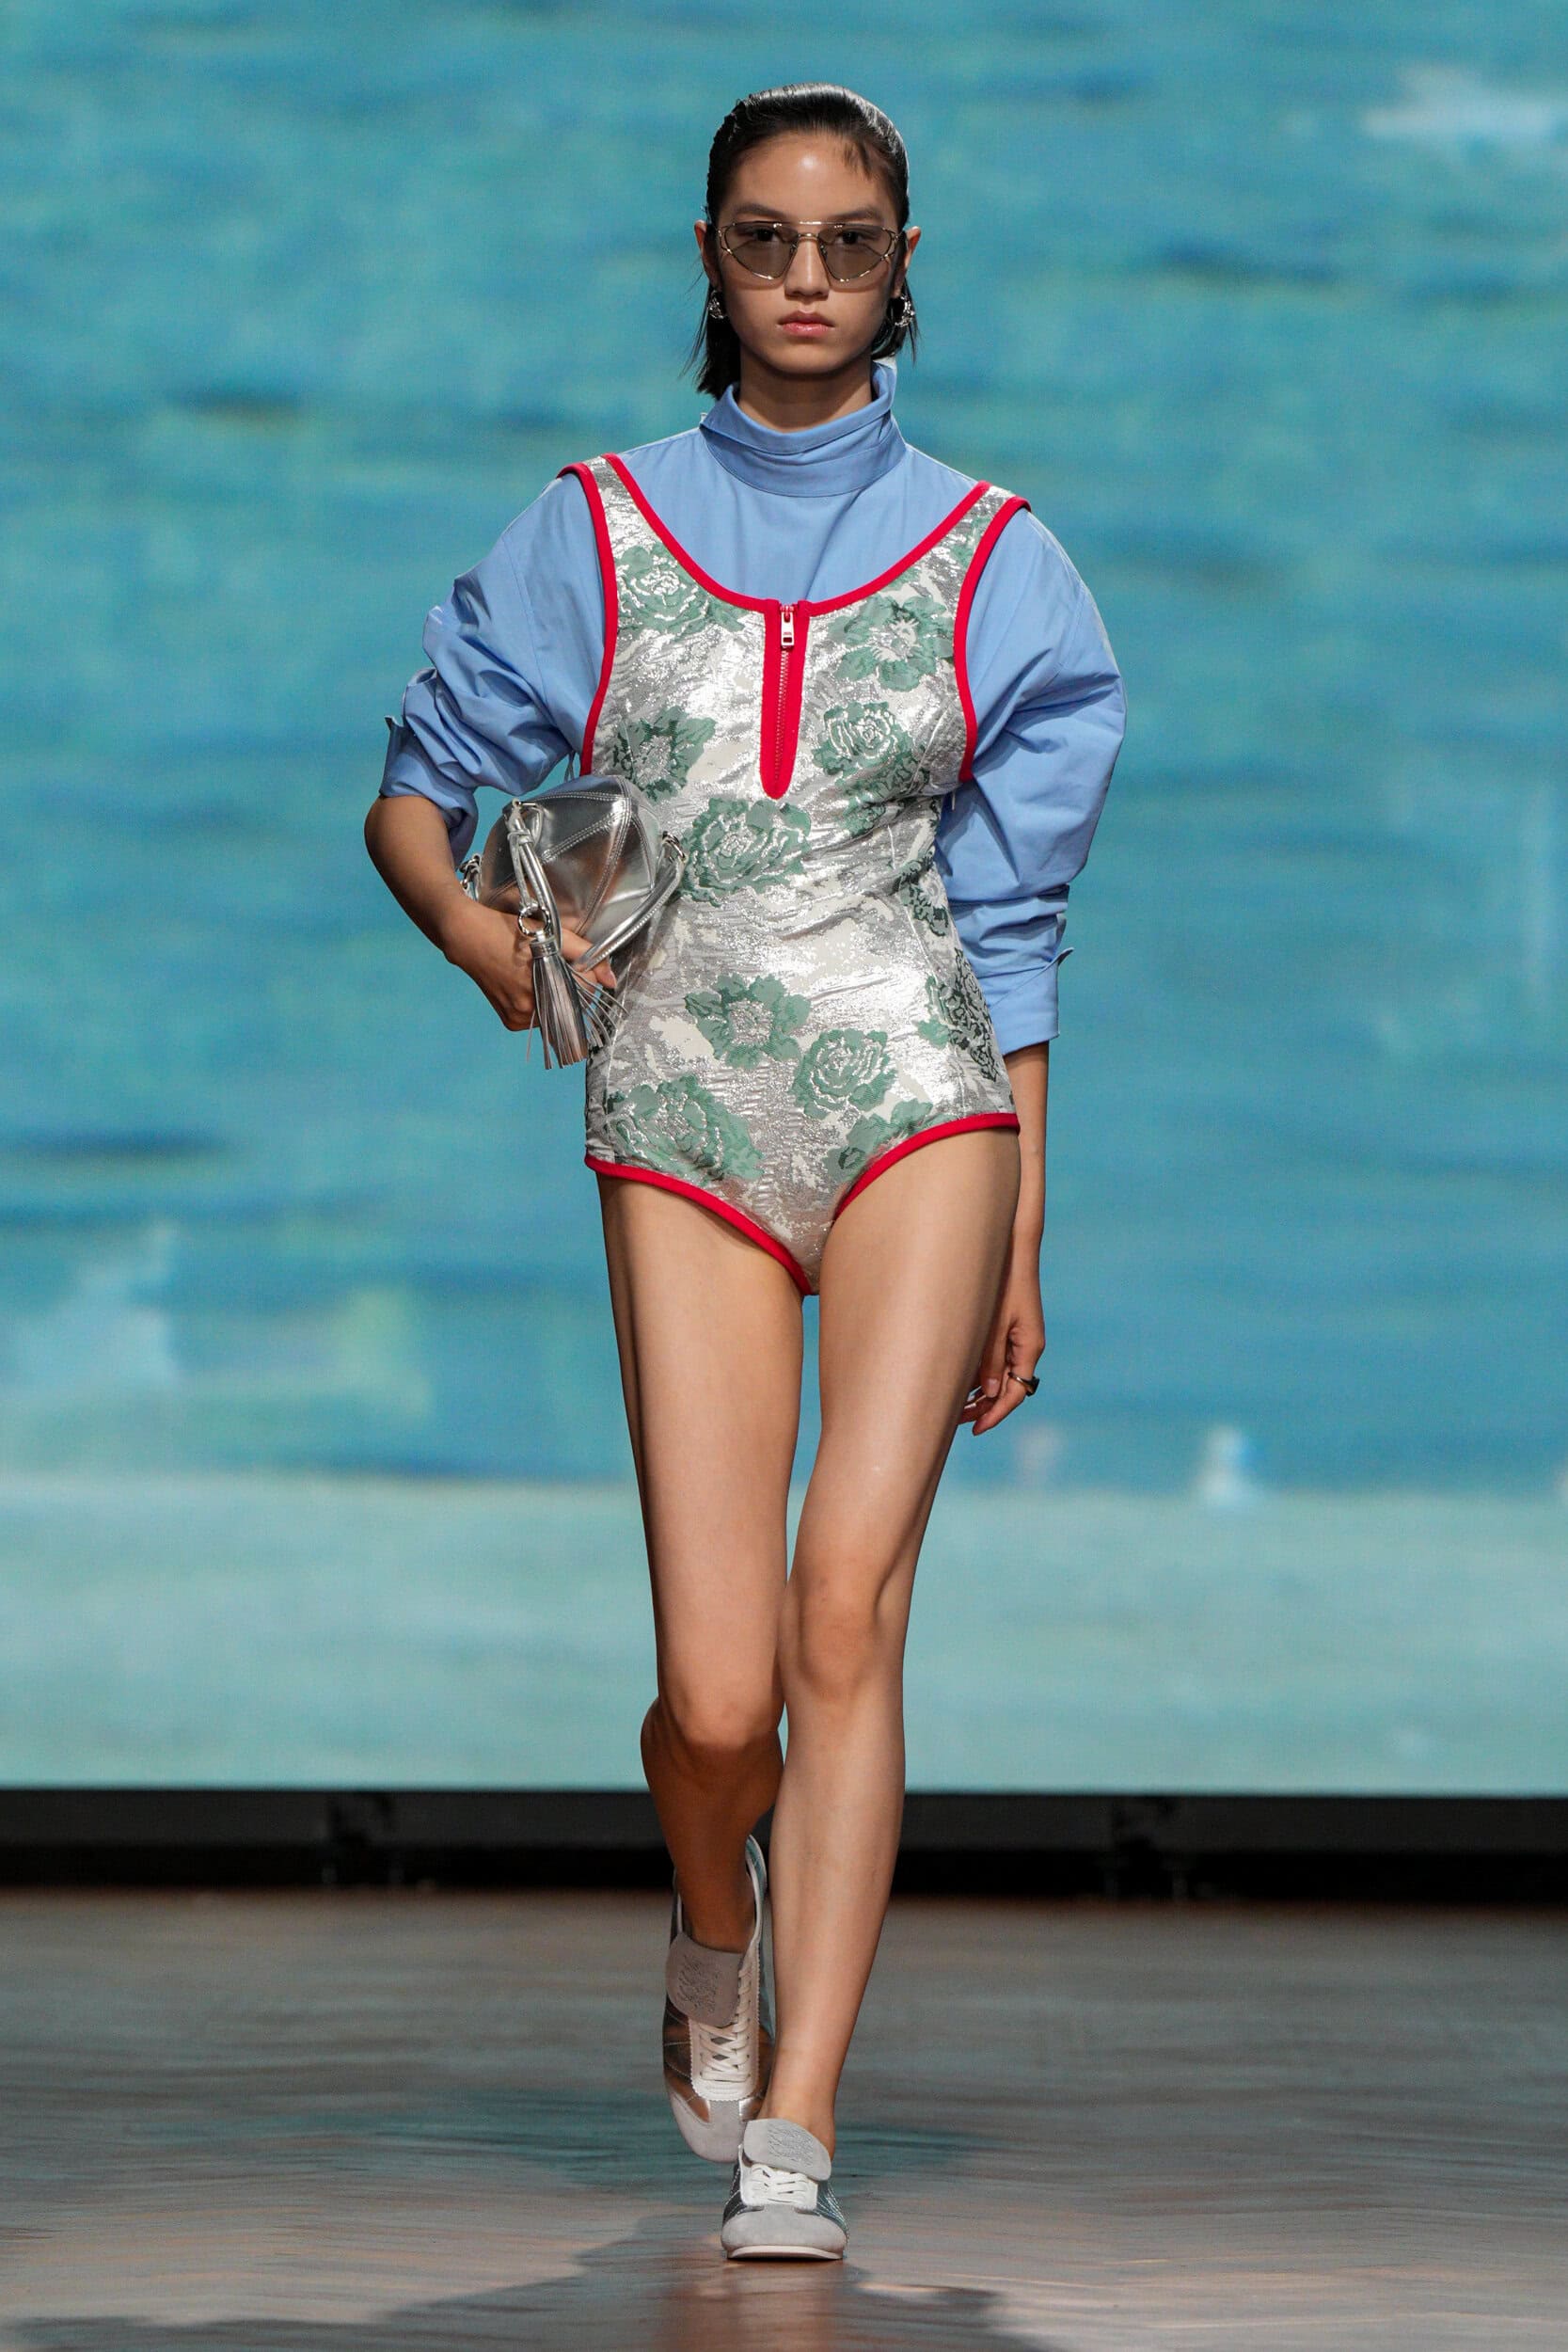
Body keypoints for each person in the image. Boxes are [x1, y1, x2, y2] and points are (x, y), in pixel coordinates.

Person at [365, 82, 1125, 2263]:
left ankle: (798, 2112)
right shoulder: (592, 531)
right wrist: (490, 944)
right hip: (679, 1101)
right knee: (715, 1698)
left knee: (842, 1608)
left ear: (903, 267)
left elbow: (1013, 924)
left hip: (920, 1093)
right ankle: (716, 1910)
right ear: (711, 255)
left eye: (848, 242)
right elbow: (415, 798)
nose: (808, 278)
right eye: (768, 239)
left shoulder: (1001, 558)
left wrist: (1025, 1221)